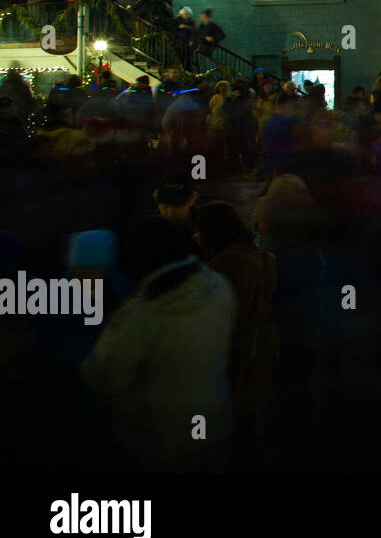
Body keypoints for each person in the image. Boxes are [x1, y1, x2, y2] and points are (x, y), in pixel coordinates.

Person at [80, 215, 237, 471]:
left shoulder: (142, 314)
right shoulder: (218, 285)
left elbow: (104, 377)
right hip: (215, 428)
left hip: (161, 445)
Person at [192, 201, 279, 470]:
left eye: (198, 232)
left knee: (238, 438)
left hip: (240, 365)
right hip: (258, 360)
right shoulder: (254, 257)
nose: (195, 238)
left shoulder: (228, 268)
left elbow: (226, 324)